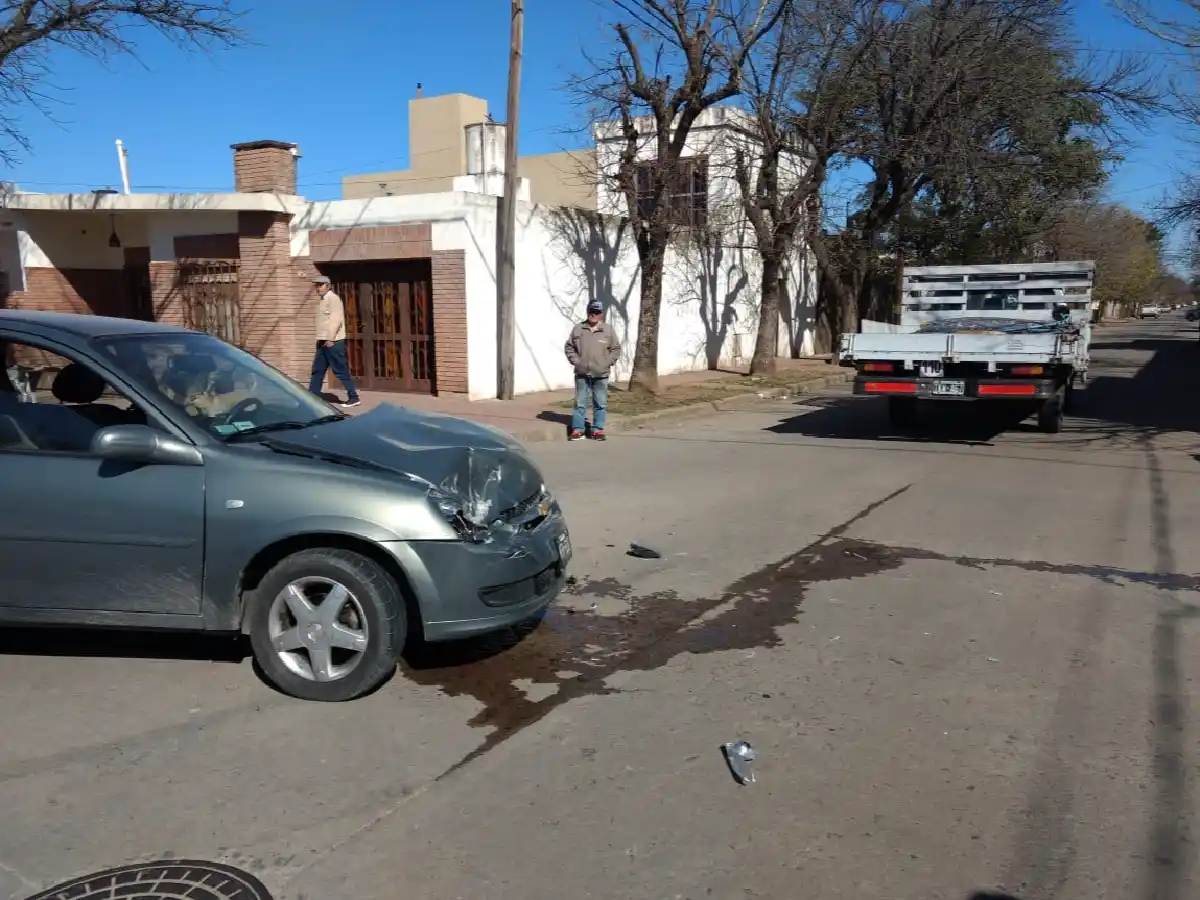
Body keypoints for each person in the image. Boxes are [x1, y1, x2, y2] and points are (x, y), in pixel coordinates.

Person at [564, 299, 620, 441]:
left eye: (597, 312)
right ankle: (578, 429)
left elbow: (616, 349)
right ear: (587, 311)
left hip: (600, 374)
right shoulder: (578, 328)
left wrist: (607, 363)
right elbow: (569, 347)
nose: (593, 314)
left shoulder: (608, 330)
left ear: (601, 314)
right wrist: (577, 362)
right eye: (591, 311)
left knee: (600, 403)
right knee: (579, 403)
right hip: (582, 373)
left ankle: (597, 430)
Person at [307, 275, 360, 408]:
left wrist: (330, 338)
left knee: (340, 370)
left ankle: (353, 397)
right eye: (316, 285)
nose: (318, 288)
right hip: (322, 341)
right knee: (317, 370)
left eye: (320, 285)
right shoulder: (323, 300)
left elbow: (336, 320)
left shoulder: (333, 299)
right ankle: (312, 396)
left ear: (328, 286)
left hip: (333, 342)